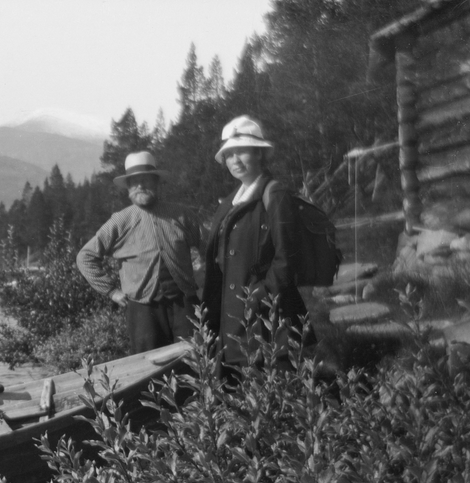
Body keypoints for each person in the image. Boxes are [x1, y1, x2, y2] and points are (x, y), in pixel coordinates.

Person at [202, 115, 311, 368]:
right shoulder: (230, 202)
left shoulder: (275, 194)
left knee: (271, 387)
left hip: (266, 316)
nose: (235, 160)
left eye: (242, 152)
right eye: (229, 154)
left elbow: (287, 256)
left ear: (260, 154)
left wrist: (260, 294)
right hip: (234, 317)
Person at [77, 151, 201, 355]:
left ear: (158, 182)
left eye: (146, 180)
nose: (140, 186)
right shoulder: (120, 221)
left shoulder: (182, 215)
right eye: (134, 182)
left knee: (193, 361)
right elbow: (85, 257)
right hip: (143, 309)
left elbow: (207, 247)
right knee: (148, 368)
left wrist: (201, 280)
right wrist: (111, 291)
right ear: (127, 188)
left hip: (184, 304)